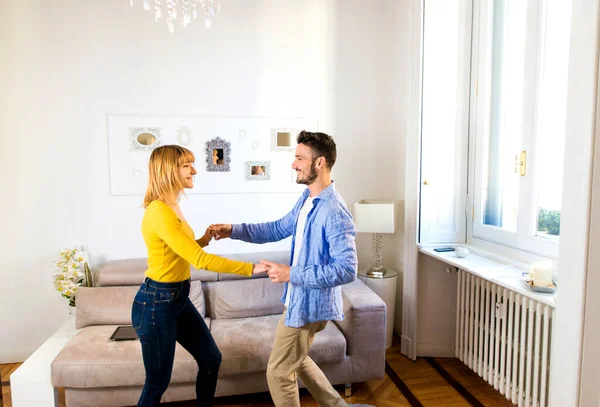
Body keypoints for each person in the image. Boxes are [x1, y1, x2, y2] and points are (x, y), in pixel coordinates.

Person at [209, 131, 357, 407]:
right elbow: (277, 228)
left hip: (309, 305)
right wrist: (233, 230)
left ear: (320, 163)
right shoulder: (307, 199)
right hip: (296, 300)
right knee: (297, 360)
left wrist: (292, 274)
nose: (293, 164)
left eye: (300, 158)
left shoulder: (334, 211)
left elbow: (347, 269)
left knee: (278, 373)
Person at [132, 145, 268, 407]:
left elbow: (179, 250)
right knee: (157, 383)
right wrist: (251, 269)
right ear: (169, 170)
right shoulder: (159, 211)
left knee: (210, 359)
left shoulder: (172, 205)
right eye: (187, 165)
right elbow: (199, 260)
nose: (194, 170)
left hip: (176, 299)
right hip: (156, 303)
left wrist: (203, 240)